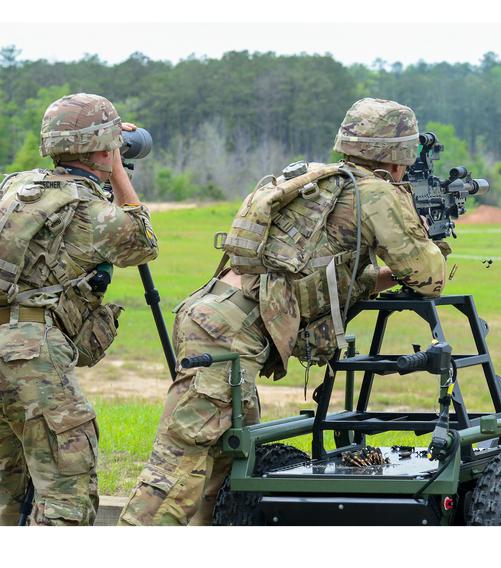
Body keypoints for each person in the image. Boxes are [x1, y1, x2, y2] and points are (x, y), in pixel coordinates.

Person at [119, 97, 447, 525]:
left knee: (226, 467)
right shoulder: (376, 194)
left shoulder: (315, 180)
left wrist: (383, 270)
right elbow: (429, 277)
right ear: (400, 155)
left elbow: (329, 280)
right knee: (177, 470)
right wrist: (431, 237)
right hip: (232, 332)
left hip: (219, 316)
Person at [0, 93, 158, 525]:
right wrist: (121, 175)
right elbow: (144, 244)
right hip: (31, 354)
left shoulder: (14, 186)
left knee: (5, 486)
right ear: (105, 149)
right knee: (66, 491)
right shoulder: (88, 209)